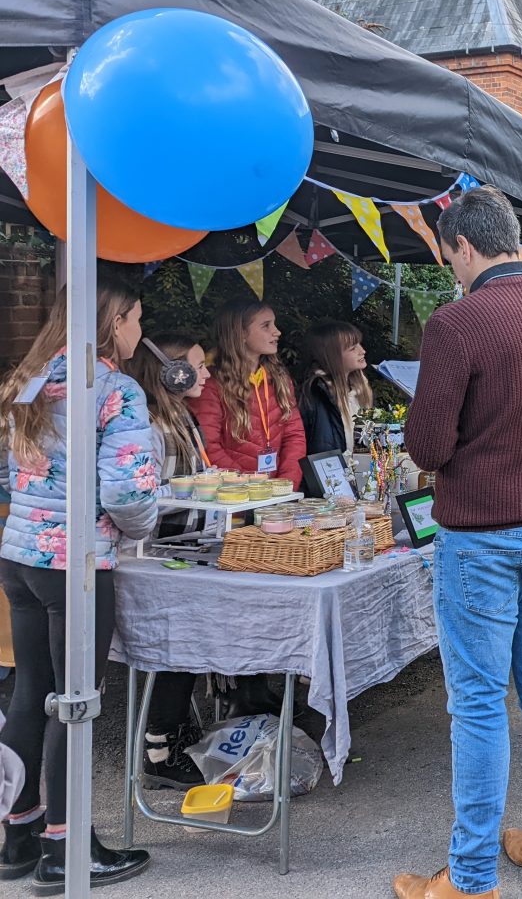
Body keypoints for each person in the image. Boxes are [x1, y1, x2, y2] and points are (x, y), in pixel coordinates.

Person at [397, 187, 522, 899]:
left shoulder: (457, 324)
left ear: (465, 247)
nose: (450, 268)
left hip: (481, 535)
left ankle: (473, 876)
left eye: (448, 256)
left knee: (478, 702)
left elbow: (426, 444)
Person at [0, 282, 154, 889]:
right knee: (77, 702)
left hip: (19, 557)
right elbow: (128, 492)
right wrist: (139, 525)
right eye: (137, 319)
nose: (141, 332)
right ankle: (67, 850)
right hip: (78, 563)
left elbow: (8, 479)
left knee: (30, 691)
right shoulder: (115, 390)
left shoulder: (26, 382)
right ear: (114, 321)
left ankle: (18, 835)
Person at [126, 333, 214, 791]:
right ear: (171, 373)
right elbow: (145, 495)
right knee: (176, 647)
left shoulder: (181, 418)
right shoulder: (152, 428)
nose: (206, 374)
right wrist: (192, 491)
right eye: (198, 367)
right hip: (158, 556)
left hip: (187, 548)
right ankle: (159, 749)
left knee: (191, 641)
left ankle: (179, 729)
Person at [190, 300, 307, 485]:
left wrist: (286, 484)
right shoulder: (211, 384)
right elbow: (208, 447)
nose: (277, 331)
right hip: (233, 498)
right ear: (241, 333)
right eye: (266, 325)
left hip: (275, 495)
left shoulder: (279, 379)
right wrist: (250, 485)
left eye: (274, 324)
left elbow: (295, 436)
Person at [297, 320, 373, 485]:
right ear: (333, 356)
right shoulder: (313, 393)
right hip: (327, 489)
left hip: (356, 483)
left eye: (359, 344)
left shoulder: (360, 390)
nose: (362, 351)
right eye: (353, 348)